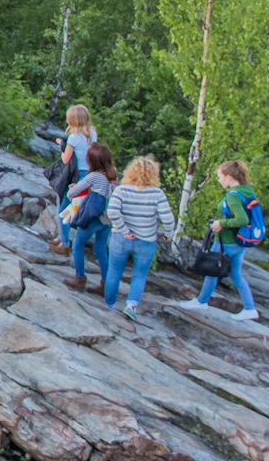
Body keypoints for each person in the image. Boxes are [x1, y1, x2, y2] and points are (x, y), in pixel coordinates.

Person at [182, 160, 265, 321]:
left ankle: (201, 301)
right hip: (239, 242)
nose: (219, 180)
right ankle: (250, 308)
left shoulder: (233, 196)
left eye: (220, 177)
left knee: (212, 270)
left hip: (227, 241)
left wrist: (221, 223)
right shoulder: (247, 192)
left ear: (228, 177)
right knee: (236, 273)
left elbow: (241, 219)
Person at [104, 155, 177, 318]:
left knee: (114, 271)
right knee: (139, 274)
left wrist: (123, 230)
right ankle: (131, 306)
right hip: (146, 240)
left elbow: (112, 212)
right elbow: (168, 218)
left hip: (121, 238)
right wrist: (168, 234)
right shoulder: (157, 193)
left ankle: (109, 305)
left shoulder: (121, 190)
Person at [60, 143, 116, 294]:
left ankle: (79, 279)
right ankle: (106, 285)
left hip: (94, 218)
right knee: (100, 249)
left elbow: (71, 194)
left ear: (91, 161)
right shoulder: (113, 175)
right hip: (107, 219)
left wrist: (73, 189)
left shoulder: (94, 176)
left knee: (77, 245)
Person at [48, 104, 97, 253]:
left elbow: (65, 159)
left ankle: (64, 243)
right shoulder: (92, 133)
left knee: (63, 207)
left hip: (74, 175)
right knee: (73, 207)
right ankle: (62, 236)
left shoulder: (74, 137)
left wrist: (62, 145)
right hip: (88, 173)